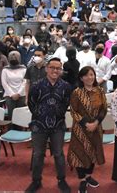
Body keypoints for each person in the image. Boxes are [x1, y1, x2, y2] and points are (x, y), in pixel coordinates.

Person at [26, 57, 72, 193]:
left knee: (59, 154)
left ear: (61, 70)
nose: (55, 70)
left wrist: (55, 114)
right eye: (52, 67)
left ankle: (62, 180)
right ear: (47, 68)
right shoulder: (36, 85)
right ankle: (36, 181)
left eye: (58, 68)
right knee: (38, 154)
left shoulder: (66, 86)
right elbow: (31, 103)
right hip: (39, 125)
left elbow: (66, 104)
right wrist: (41, 114)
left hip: (58, 125)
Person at [67, 66, 108, 193]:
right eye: (86, 75)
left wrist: (95, 123)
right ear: (81, 78)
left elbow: (104, 109)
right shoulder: (77, 92)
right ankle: (82, 180)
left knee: (93, 153)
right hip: (80, 129)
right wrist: (86, 124)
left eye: (92, 75)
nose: (89, 77)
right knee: (80, 153)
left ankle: (89, 176)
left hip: (96, 128)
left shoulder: (100, 91)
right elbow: (73, 111)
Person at [1, 51, 27, 119]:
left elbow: (25, 82)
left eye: (15, 56)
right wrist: (12, 94)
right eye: (11, 56)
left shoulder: (24, 69)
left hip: (21, 95)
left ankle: (20, 129)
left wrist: (18, 93)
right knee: (11, 116)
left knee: (20, 116)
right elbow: (4, 83)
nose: (13, 58)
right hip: (9, 95)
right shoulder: (5, 70)